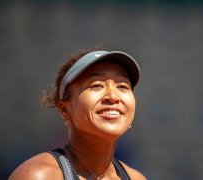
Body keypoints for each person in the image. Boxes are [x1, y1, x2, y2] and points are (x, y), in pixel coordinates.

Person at [9, 49, 146, 180]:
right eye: (96, 85)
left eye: (122, 86)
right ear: (64, 110)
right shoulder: (39, 175)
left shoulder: (136, 178)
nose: (112, 96)